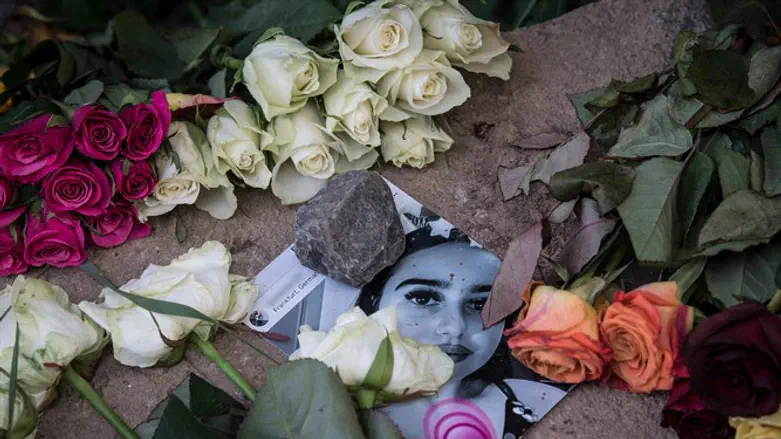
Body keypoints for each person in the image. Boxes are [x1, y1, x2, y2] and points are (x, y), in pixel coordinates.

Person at [357, 225, 568, 439]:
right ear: (374, 303)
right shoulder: (340, 405)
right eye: (422, 299)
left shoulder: (540, 403)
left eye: (479, 304)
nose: (455, 327)